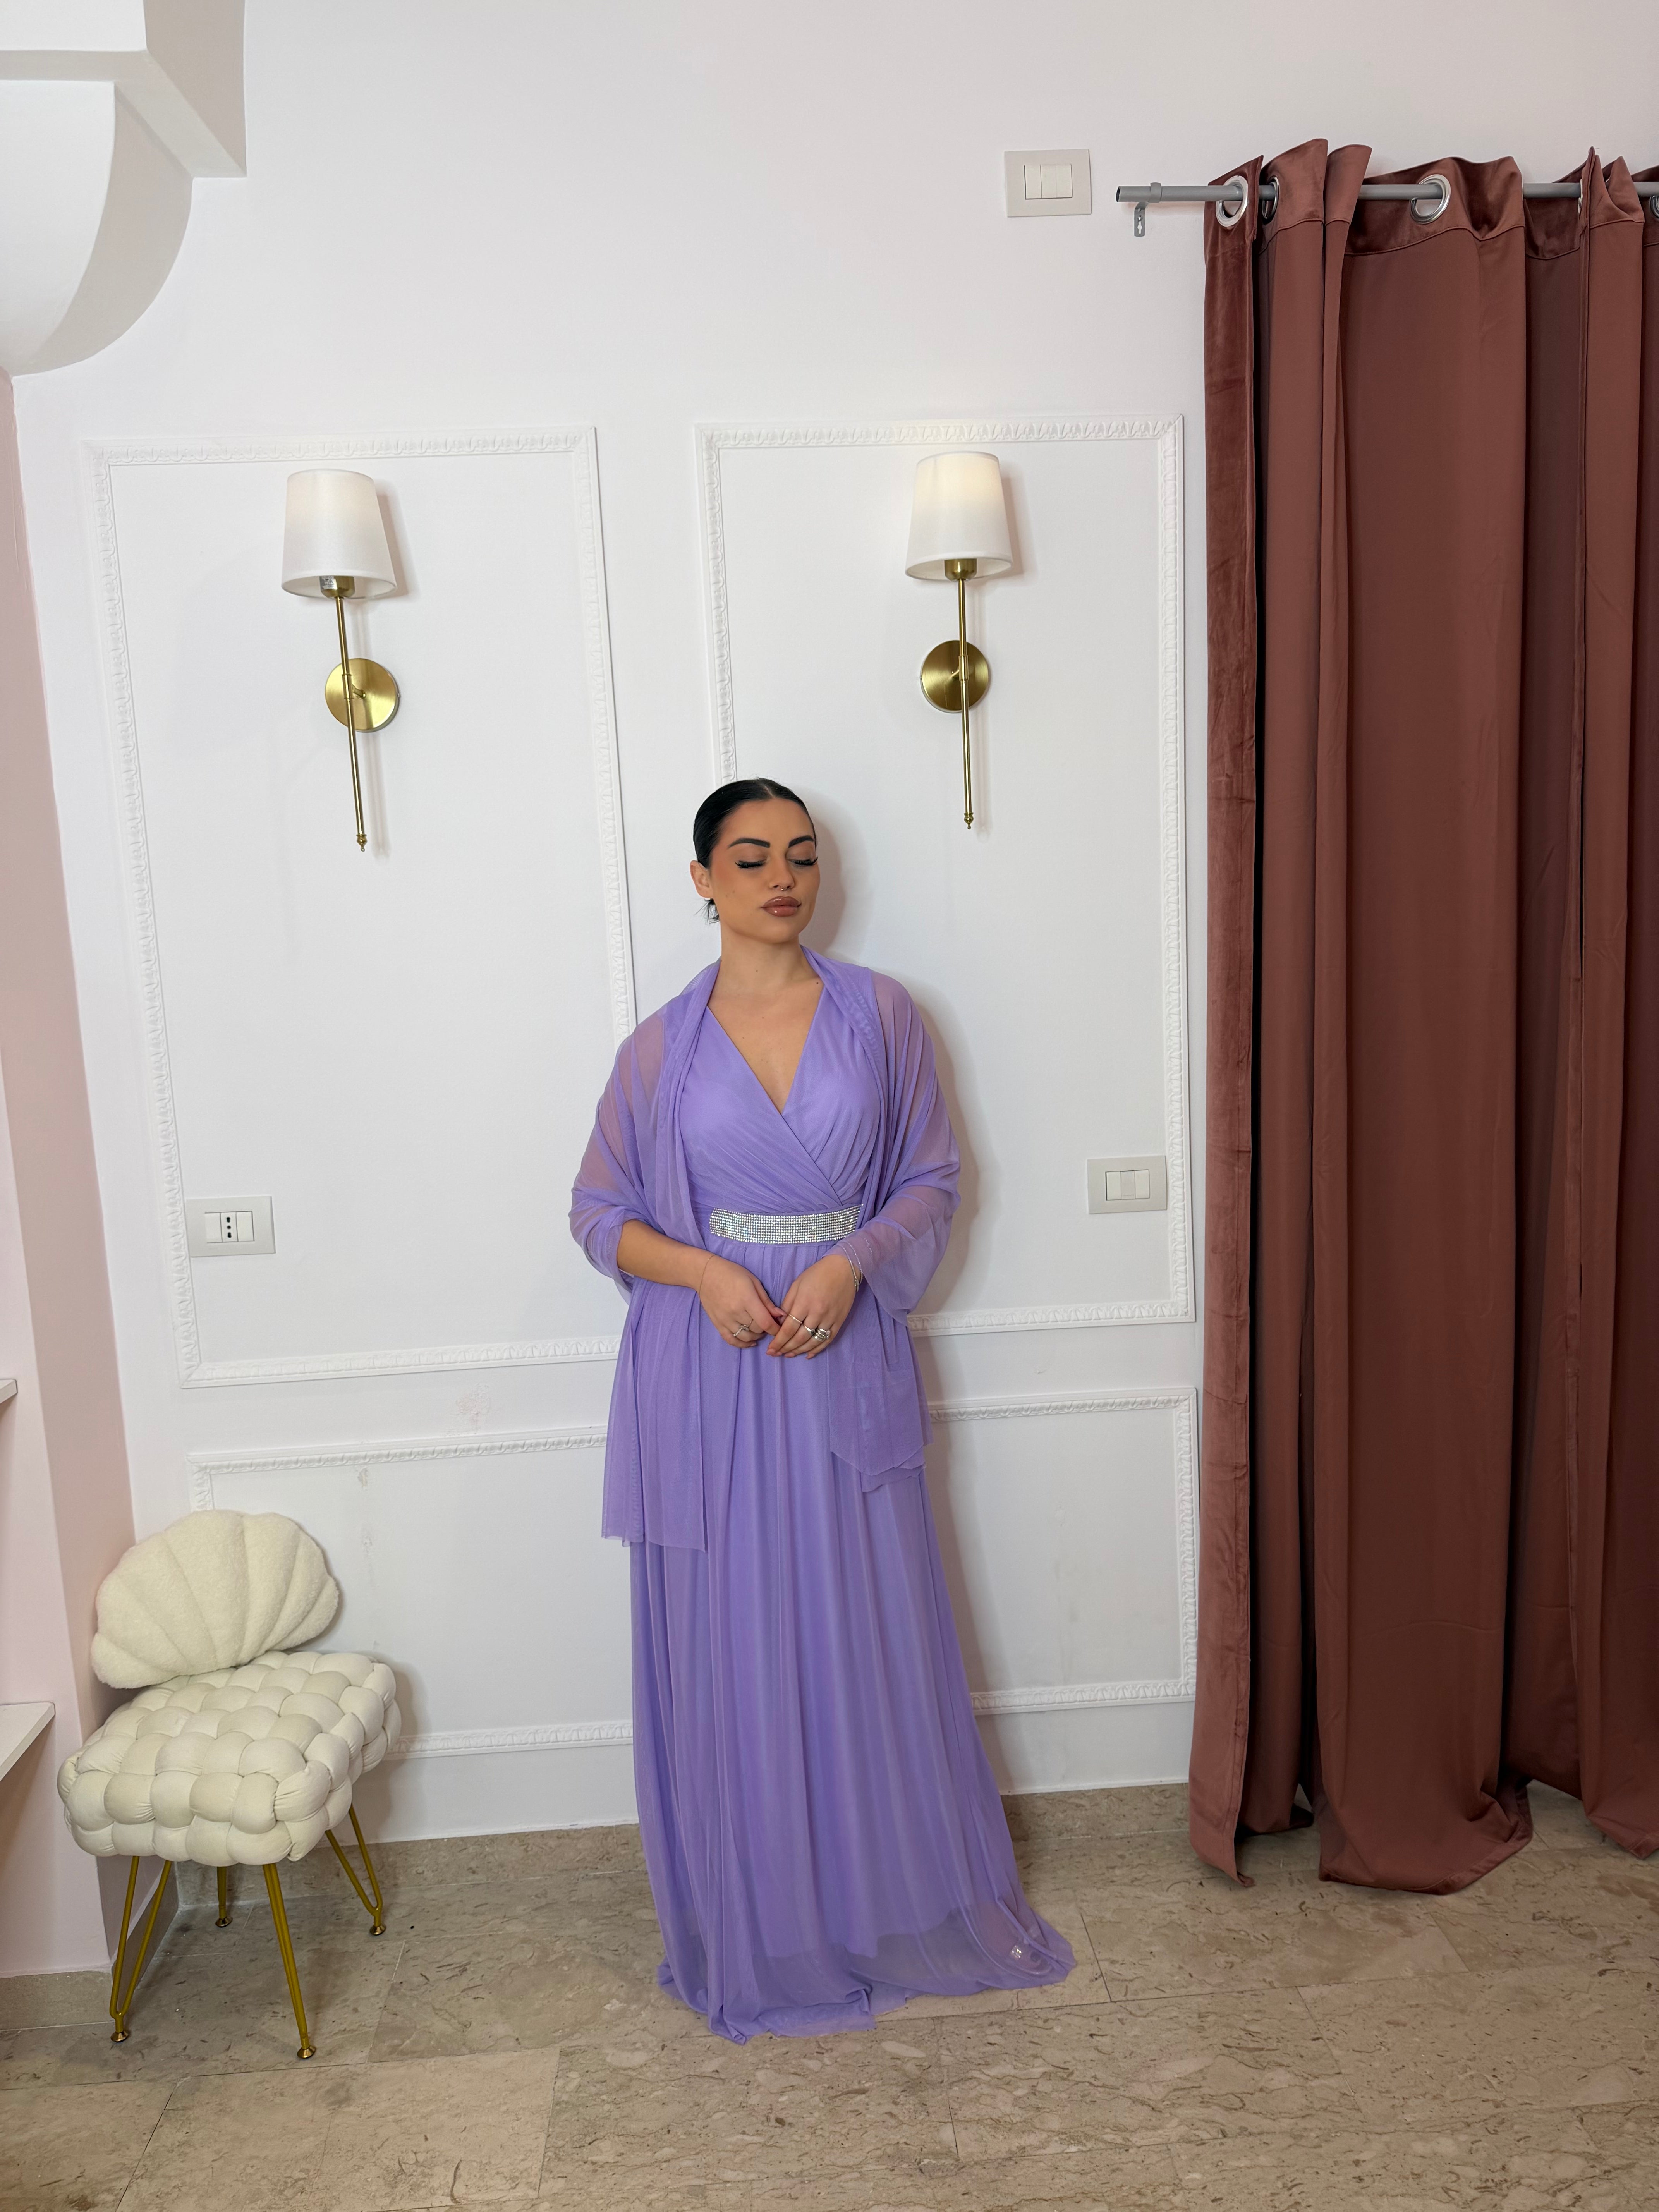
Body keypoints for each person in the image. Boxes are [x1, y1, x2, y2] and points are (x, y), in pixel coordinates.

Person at [570, 776, 1072, 2040]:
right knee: (732, 1642)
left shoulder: (882, 1016)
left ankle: (871, 1904)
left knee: (861, 1630)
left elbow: (931, 1179)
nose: (781, 878)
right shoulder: (658, 1050)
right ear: (702, 881)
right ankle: (759, 1918)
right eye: (749, 859)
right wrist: (704, 1274)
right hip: (711, 1373)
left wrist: (850, 1264)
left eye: (800, 855)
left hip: (841, 1360)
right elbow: (596, 1214)